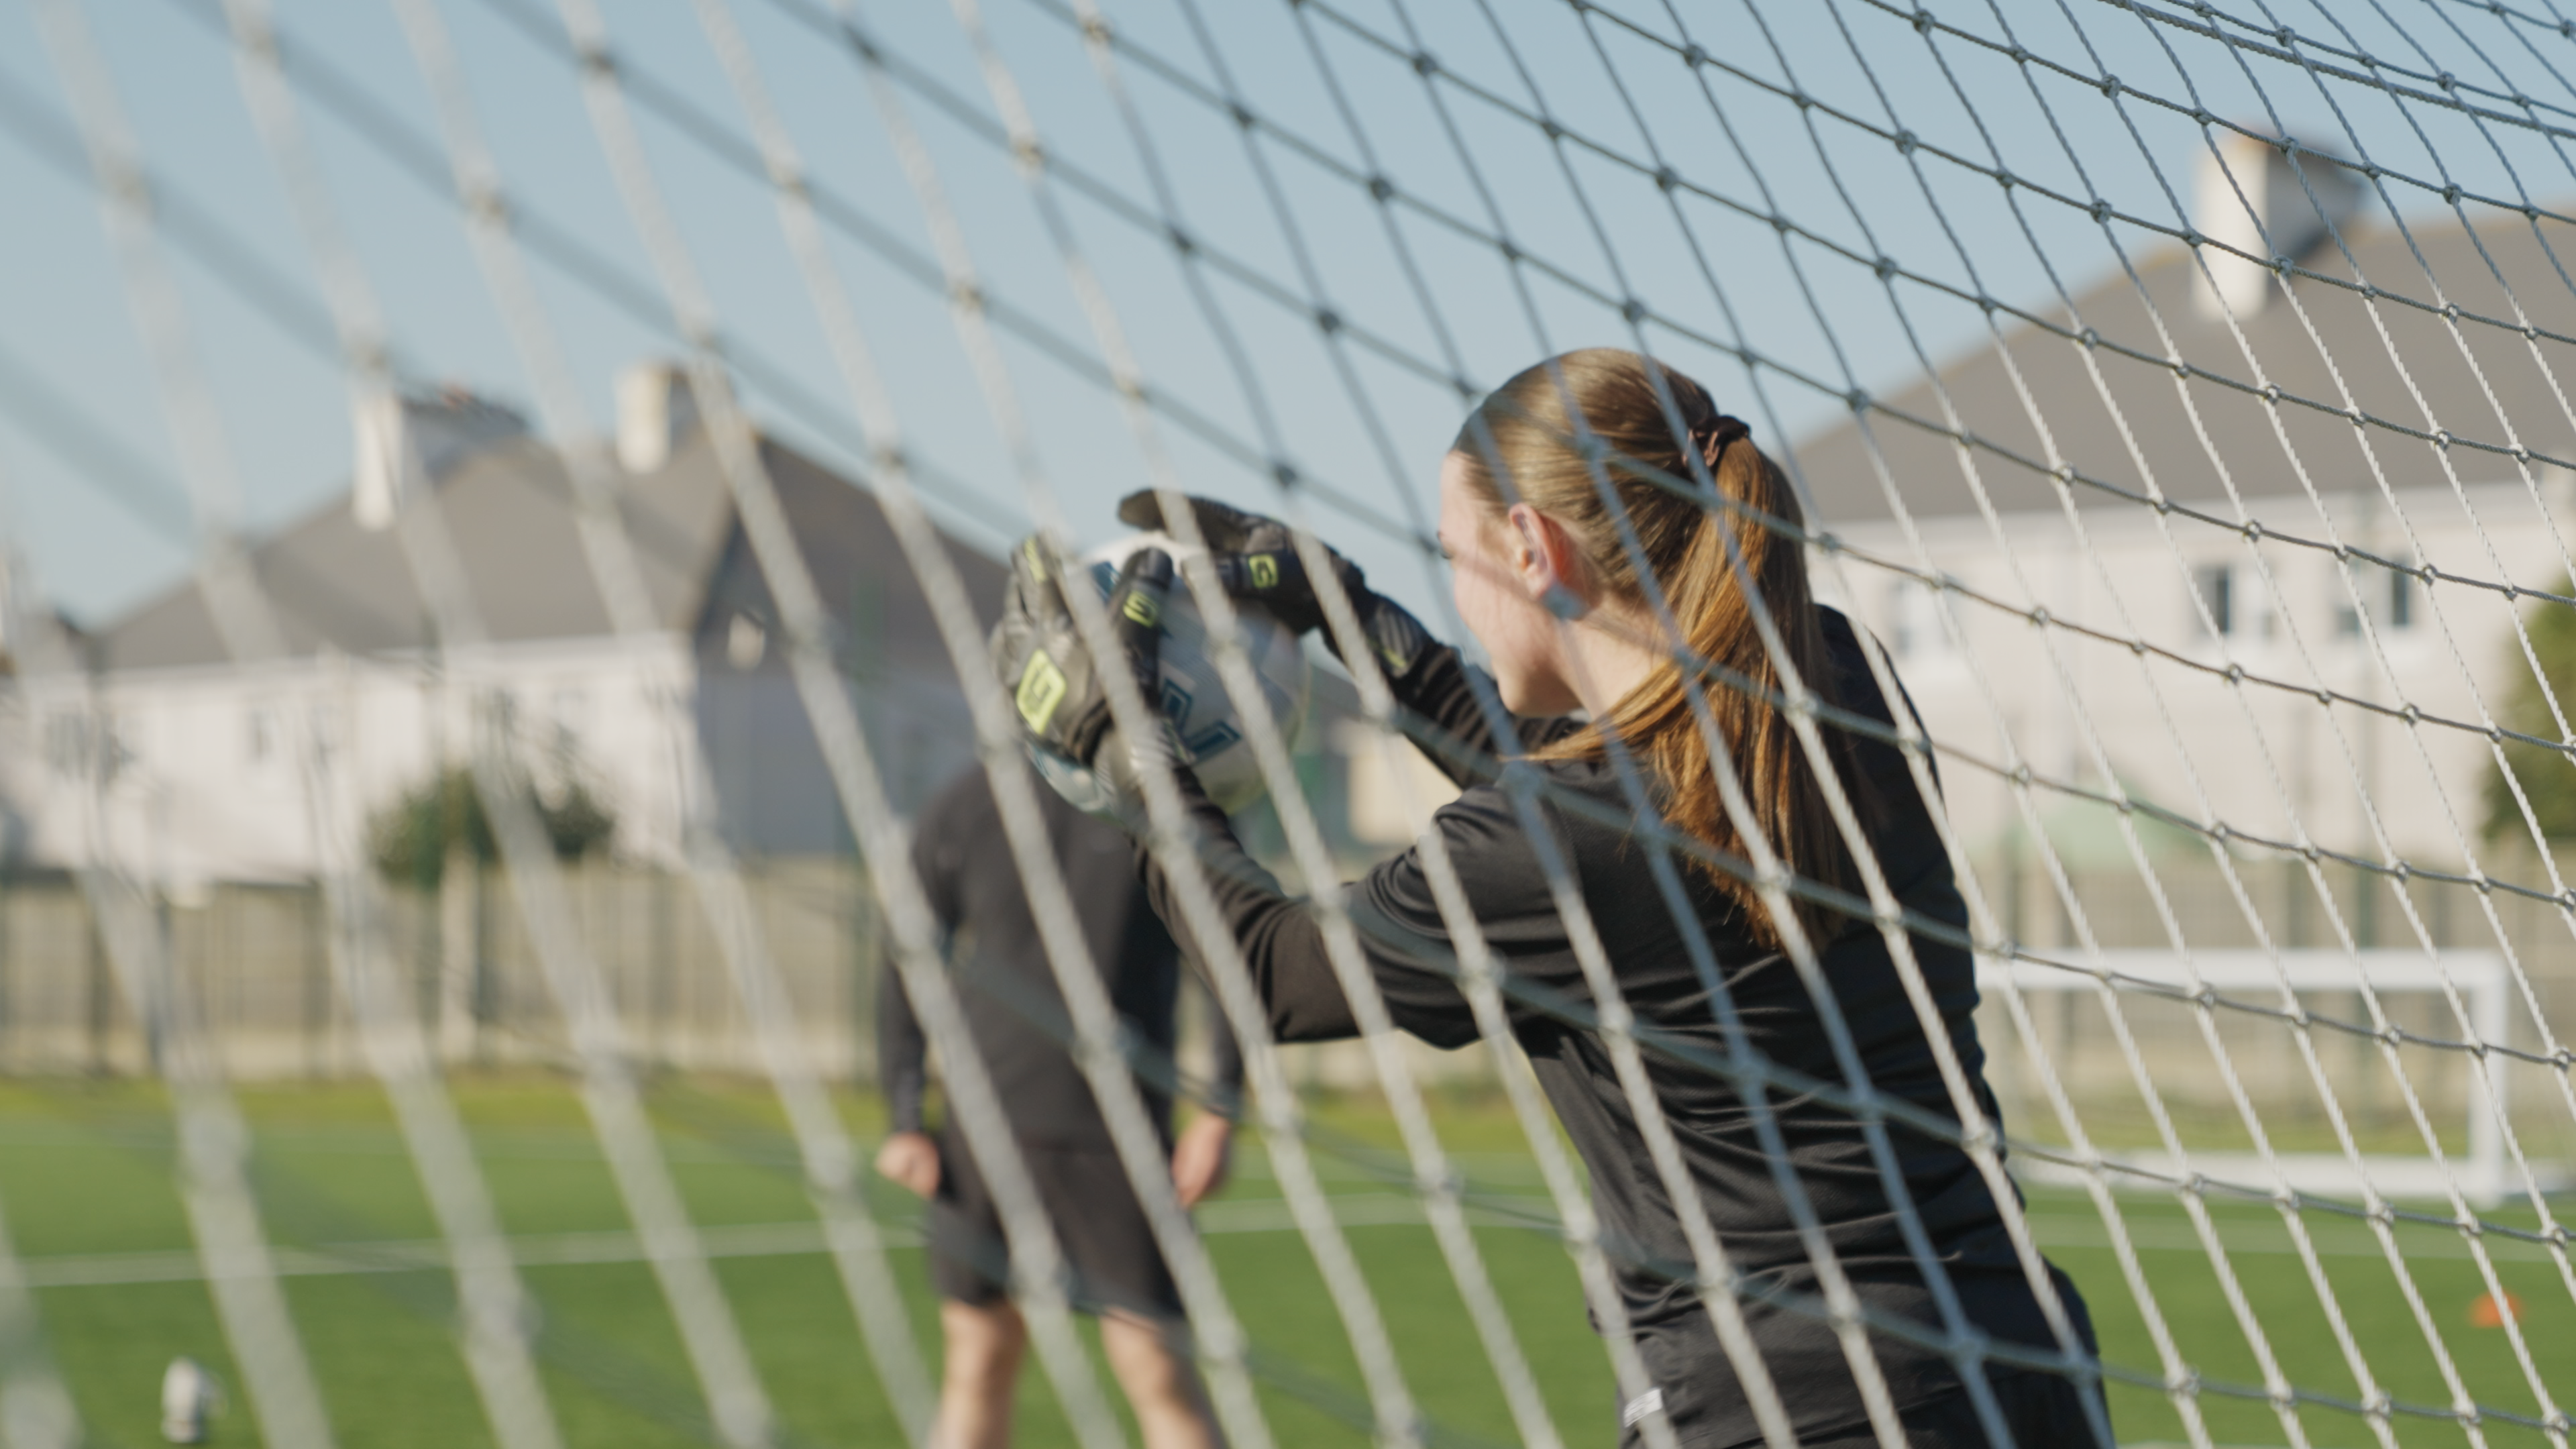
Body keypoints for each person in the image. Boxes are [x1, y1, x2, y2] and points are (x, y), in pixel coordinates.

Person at [1010, 348, 2108, 1448]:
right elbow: (1608, 796)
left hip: (1791, 1408)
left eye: (1453, 556)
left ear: (1534, 549)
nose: (1452, 588)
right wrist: (1350, 615)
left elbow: (1279, 974)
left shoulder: (1563, 835)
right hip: (2024, 1367)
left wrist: (1128, 752)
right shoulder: (1840, 674)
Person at [875, 761, 1242, 1449]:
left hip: (1119, 1135)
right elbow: (907, 956)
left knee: (1155, 1366)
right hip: (983, 1131)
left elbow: (1233, 963)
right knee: (979, 1360)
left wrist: (1221, 1110)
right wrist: (904, 1118)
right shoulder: (966, 802)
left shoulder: (1167, 805)